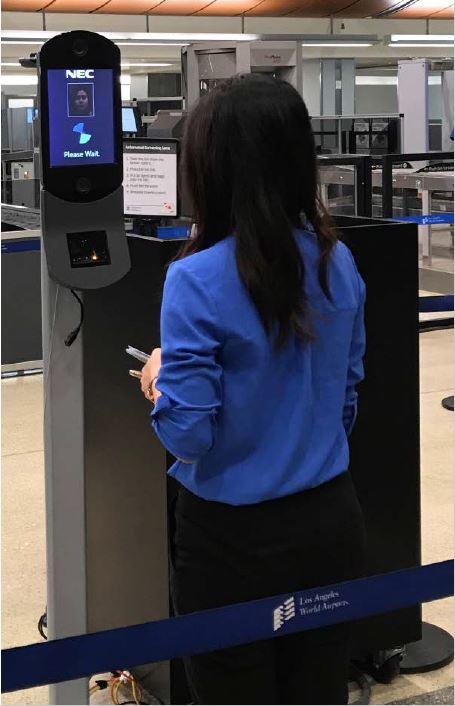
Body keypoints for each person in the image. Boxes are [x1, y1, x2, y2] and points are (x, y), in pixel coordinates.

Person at [140, 74, 366, 705]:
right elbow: (346, 396)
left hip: (230, 543)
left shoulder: (194, 279)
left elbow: (191, 432)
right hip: (329, 521)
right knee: (318, 689)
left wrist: (161, 384)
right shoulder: (337, 262)